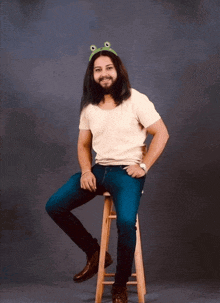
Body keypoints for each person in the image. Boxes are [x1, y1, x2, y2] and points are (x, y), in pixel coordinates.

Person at [45, 42, 169, 303]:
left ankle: (120, 285)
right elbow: (83, 145)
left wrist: (143, 165)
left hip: (127, 173)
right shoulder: (89, 107)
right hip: (100, 170)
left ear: (118, 70)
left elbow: (162, 134)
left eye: (109, 68)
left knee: (126, 224)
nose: (104, 74)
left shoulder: (137, 99)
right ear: (92, 75)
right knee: (55, 205)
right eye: (98, 69)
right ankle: (95, 253)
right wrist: (86, 170)